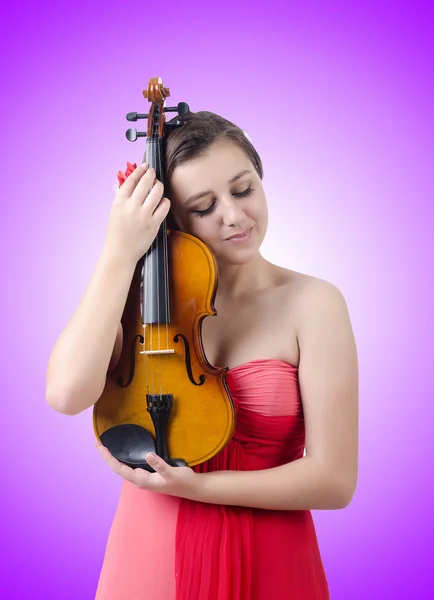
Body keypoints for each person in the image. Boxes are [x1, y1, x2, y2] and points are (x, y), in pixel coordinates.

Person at [46, 111, 359, 600]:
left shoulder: (314, 303)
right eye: (204, 205)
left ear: (261, 179)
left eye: (242, 189)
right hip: (150, 555)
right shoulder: (138, 303)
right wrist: (118, 253)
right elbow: (66, 394)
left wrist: (197, 489)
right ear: (172, 217)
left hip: (273, 559)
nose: (233, 216)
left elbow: (334, 481)